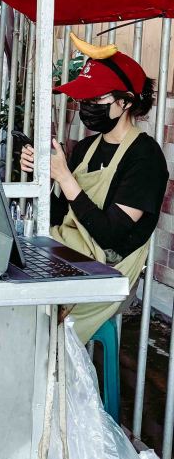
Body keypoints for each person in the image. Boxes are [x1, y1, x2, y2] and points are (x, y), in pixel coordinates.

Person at [21, 45, 168, 343]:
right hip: (63, 252)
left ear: (125, 102)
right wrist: (41, 177)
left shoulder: (145, 157)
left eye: (97, 97)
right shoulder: (87, 149)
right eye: (84, 97)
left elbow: (110, 234)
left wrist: (65, 176)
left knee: (29, 320)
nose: (87, 104)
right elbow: (60, 217)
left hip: (105, 273)